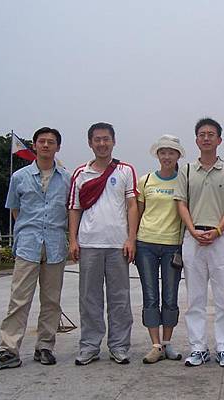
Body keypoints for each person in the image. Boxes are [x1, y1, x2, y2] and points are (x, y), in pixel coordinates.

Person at [0, 127, 71, 371]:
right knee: (19, 299)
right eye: (42, 141)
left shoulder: (67, 179)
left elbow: (70, 212)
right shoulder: (20, 177)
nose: (46, 146)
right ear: (34, 145)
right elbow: (15, 209)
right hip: (28, 245)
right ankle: (9, 350)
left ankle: (45, 346)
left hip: (54, 245)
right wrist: (28, 230)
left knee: (51, 300)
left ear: (58, 147)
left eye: (51, 142)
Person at [174, 117, 224, 368]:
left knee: (223, 296)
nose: (206, 138)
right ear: (196, 139)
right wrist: (192, 230)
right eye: (202, 134)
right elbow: (181, 202)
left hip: (221, 238)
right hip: (192, 239)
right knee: (195, 297)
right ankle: (198, 347)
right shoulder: (187, 170)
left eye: (211, 134)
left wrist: (217, 229)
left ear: (219, 140)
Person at [68, 122, 139, 366]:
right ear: (90, 143)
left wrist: (131, 238)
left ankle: (119, 346)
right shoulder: (80, 174)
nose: (101, 143)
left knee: (120, 298)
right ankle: (89, 345)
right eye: (97, 139)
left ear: (114, 141)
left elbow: (132, 206)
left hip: (118, 244)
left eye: (106, 139)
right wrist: (73, 240)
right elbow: (75, 209)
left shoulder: (125, 171)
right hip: (89, 244)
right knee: (89, 298)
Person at [135, 135, 186, 364]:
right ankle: (155, 345)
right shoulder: (145, 181)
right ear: (158, 155)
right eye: (163, 152)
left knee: (170, 295)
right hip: (146, 242)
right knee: (150, 295)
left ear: (178, 156)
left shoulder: (183, 181)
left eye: (171, 152)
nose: (167, 156)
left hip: (172, 245)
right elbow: (137, 211)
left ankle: (167, 343)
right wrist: (131, 240)